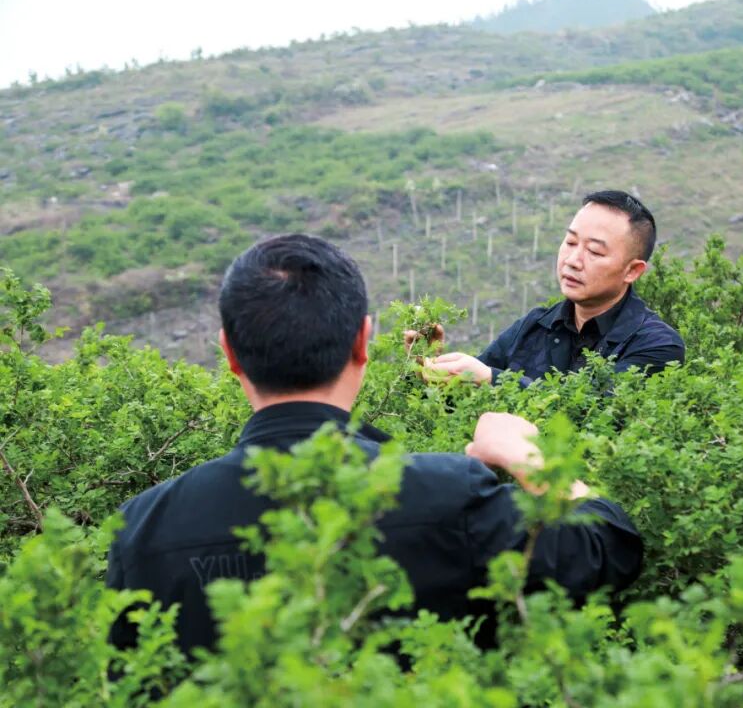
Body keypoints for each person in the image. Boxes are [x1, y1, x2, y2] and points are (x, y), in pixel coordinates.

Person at [106, 234, 643, 655]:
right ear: (363, 341)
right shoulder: (448, 495)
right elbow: (607, 548)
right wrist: (532, 455)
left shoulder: (142, 526)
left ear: (230, 354)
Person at [412, 190, 684, 388]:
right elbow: (461, 402)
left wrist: (492, 380)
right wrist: (431, 367)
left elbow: (591, 411)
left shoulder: (657, 346)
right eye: (570, 242)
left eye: (594, 251)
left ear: (632, 270)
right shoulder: (534, 326)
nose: (573, 260)